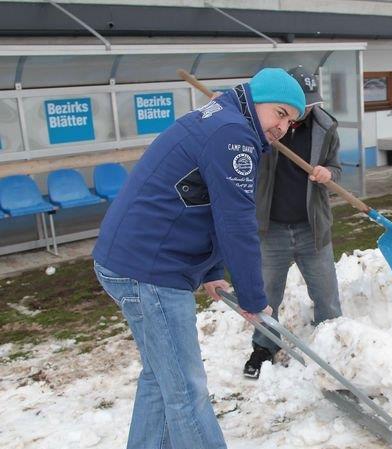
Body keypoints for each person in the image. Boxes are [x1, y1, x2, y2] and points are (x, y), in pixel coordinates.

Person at [92, 68, 305, 449]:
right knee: (186, 389)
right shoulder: (233, 136)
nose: (285, 127)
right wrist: (254, 298)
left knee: (162, 377)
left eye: (291, 121)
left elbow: (204, 202)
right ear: (257, 101)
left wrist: (210, 270)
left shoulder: (223, 118)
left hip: (131, 260)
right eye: (280, 113)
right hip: (151, 270)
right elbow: (236, 221)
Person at [243, 66, 343, 379]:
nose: (306, 110)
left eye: (312, 103)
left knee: (326, 294)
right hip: (270, 228)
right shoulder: (263, 126)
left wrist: (329, 174)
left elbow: (336, 168)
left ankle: (334, 347)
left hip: (312, 227)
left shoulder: (326, 127)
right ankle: (263, 347)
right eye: (302, 103)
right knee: (267, 294)